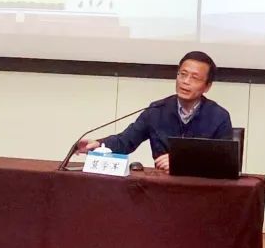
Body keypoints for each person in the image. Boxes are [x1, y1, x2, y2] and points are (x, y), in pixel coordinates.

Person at [79, 51, 232, 172]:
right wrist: (99, 145)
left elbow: (225, 162)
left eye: (195, 78)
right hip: (162, 188)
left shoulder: (219, 117)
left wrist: (182, 161)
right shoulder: (157, 110)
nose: (186, 81)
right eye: (183, 74)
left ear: (207, 86)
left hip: (202, 192)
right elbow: (126, 141)